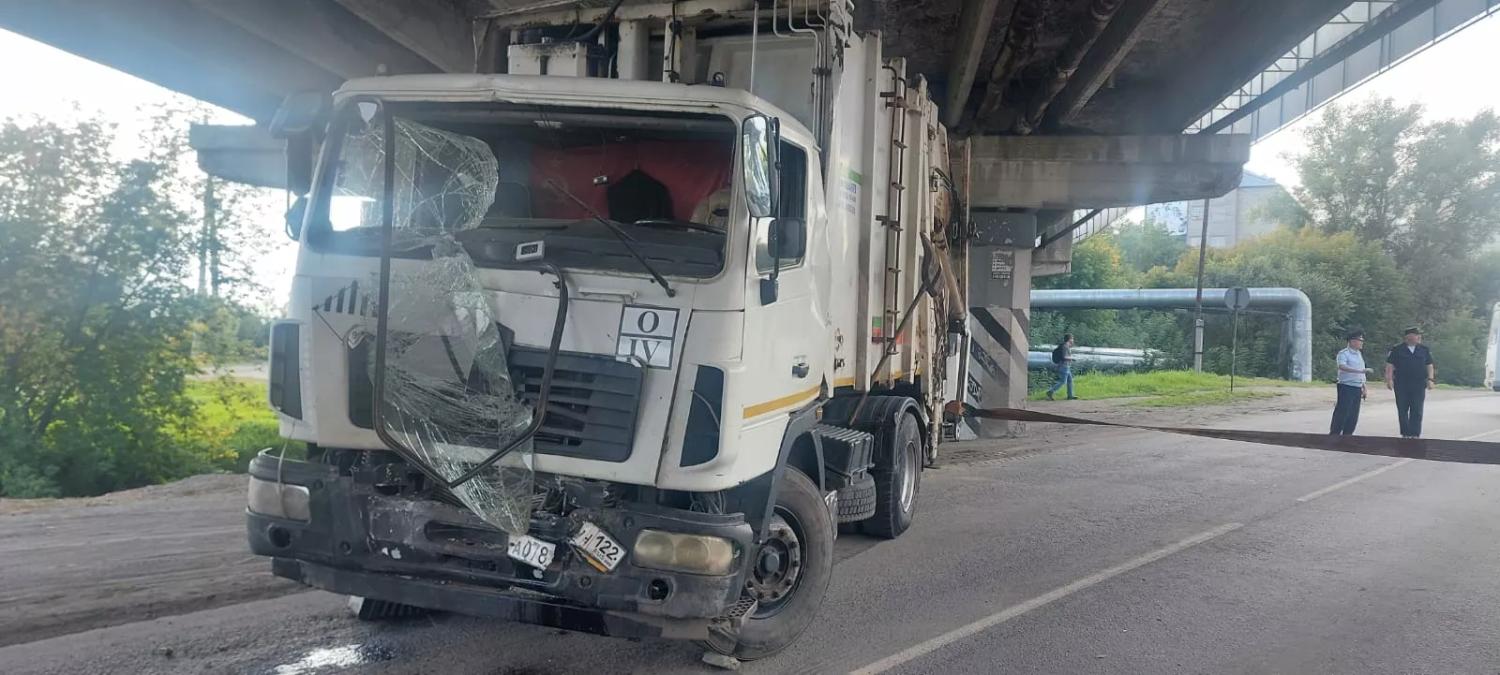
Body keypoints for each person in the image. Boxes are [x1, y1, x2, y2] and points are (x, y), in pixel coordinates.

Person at [1385, 326, 1435, 438]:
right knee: (1402, 409)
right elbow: (1390, 365)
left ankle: (1415, 433)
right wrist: (1389, 379)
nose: (1412, 340)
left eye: (1415, 337)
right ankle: (1405, 433)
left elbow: (1429, 365)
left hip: (1418, 384)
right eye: (1410, 338)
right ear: (1406, 338)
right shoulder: (1397, 349)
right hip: (1401, 384)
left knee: (1417, 409)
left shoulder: (1424, 350)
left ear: (1418, 338)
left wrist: (1431, 379)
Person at [1330, 330, 1370, 435]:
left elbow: (1362, 371)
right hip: (1346, 386)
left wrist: (1364, 387)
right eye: (1359, 340)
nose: (1362, 342)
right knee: (1342, 412)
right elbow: (1342, 366)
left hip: (1357, 386)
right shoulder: (1344, 353)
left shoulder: (1359, 354)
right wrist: (1359, 371)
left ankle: (1348, 436)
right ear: (1352, 341)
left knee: (1353, 415)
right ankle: (1334, 435)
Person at [1046, 334, 1078, 401]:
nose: (1073, 340)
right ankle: (1050, 391)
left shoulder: (1065, 346)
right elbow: (1064, 357)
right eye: (1072, 339)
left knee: (1070, 380)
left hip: (1066, 366)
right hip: (1064, 366)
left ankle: (1070, 395)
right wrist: (1072, 358)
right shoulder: (1065, 347)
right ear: (1069, 339)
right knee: (1063, 381)